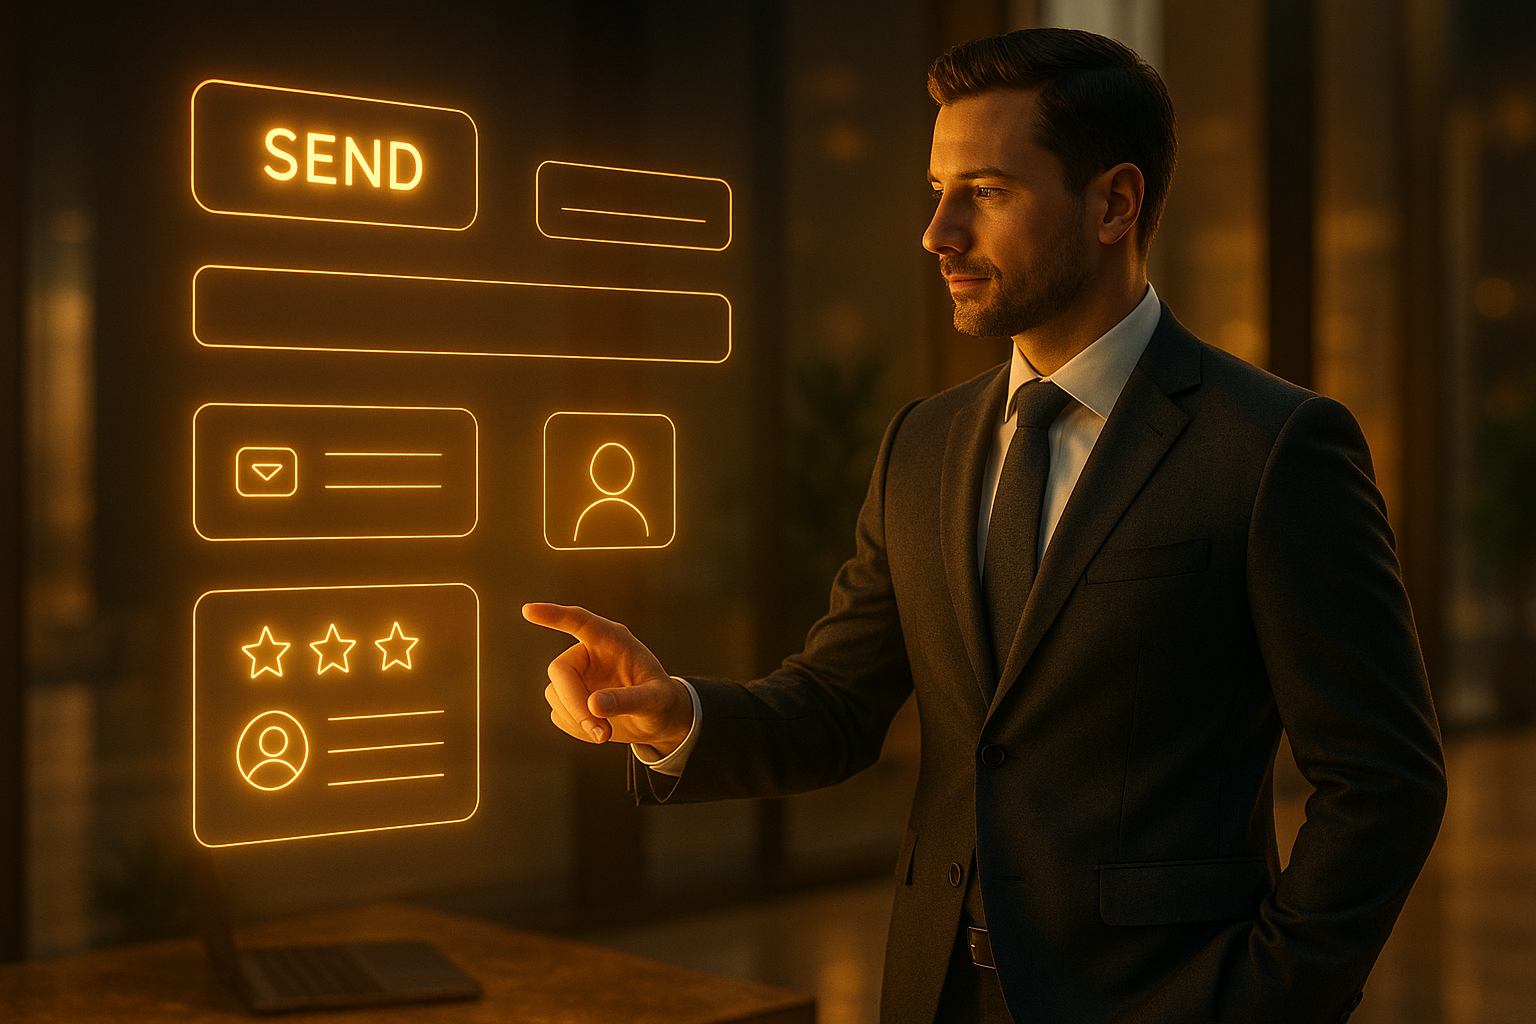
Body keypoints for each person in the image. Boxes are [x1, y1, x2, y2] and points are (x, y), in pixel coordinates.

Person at [525, 27, 1446, 1024]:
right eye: (937, 190)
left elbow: (1383, 781)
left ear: (1115, 203)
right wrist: (674, 715)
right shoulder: (923, 444)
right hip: (932, 995)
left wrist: (1264, 998)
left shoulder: (1272, 447)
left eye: (988, 193)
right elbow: (837, 705)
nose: (937, 232)